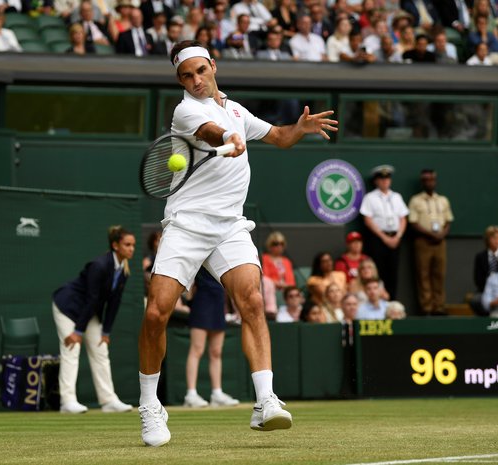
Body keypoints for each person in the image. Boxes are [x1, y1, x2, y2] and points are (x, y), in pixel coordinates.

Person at [137, 40, 338, 447]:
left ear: (214, 66)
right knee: (157, 313)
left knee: (251, 300)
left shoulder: (236, 109)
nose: (195, 81)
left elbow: (279, 137)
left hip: (230, 226)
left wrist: (298, 129)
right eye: (186, 76)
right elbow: (211, 132)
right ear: (180, 80)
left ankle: (265, 402)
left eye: (200, 71)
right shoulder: (185, 110)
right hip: (188, 224)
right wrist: (227, 134)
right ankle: (150, 406)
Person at [52, 226, 135, 414]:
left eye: (133, 245)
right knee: (71, 349)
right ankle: (67, 401)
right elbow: (92, 299)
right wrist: (77, 332)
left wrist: (106, 332)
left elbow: (114, 302)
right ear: (115, 245)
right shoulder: (99, 265)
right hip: (67, 307)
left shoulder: (123, 270)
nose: (131, 249)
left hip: (88, 312)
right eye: (127, 244)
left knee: (101, 350)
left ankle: (108, 401)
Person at [184, 267, 240, 408]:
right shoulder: (198, 255)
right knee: (197, 349)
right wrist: (189, 300)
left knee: (216, 352)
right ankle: (190, 394)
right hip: (201, 301)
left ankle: (217, 393)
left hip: (218, 303)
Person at [408, 169, 454, 316]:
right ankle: (426, 308)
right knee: (423, 275)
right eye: (426, 180)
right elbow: (413, 222)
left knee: (439, 274)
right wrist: (430, 234)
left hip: (440, 242)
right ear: (422, 182)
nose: (430, 182)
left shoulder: (443, 200)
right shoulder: (416, 200)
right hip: (423, 241)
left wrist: (442, 234)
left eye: (432, 179)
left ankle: (439, 307)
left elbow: (448, 220)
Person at [360, 164, 408, 300]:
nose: (385, 181)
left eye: (387, 178)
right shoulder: (370, 197)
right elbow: (368, 219)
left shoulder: (397, 197)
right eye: (381, 178)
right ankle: (379, 301)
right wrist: (384, 237)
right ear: (376, 181)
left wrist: (398, 236)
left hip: (395, 238)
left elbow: (403, 218)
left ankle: (392, 302)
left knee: (393, 273)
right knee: (379, 271)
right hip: (378, 239)